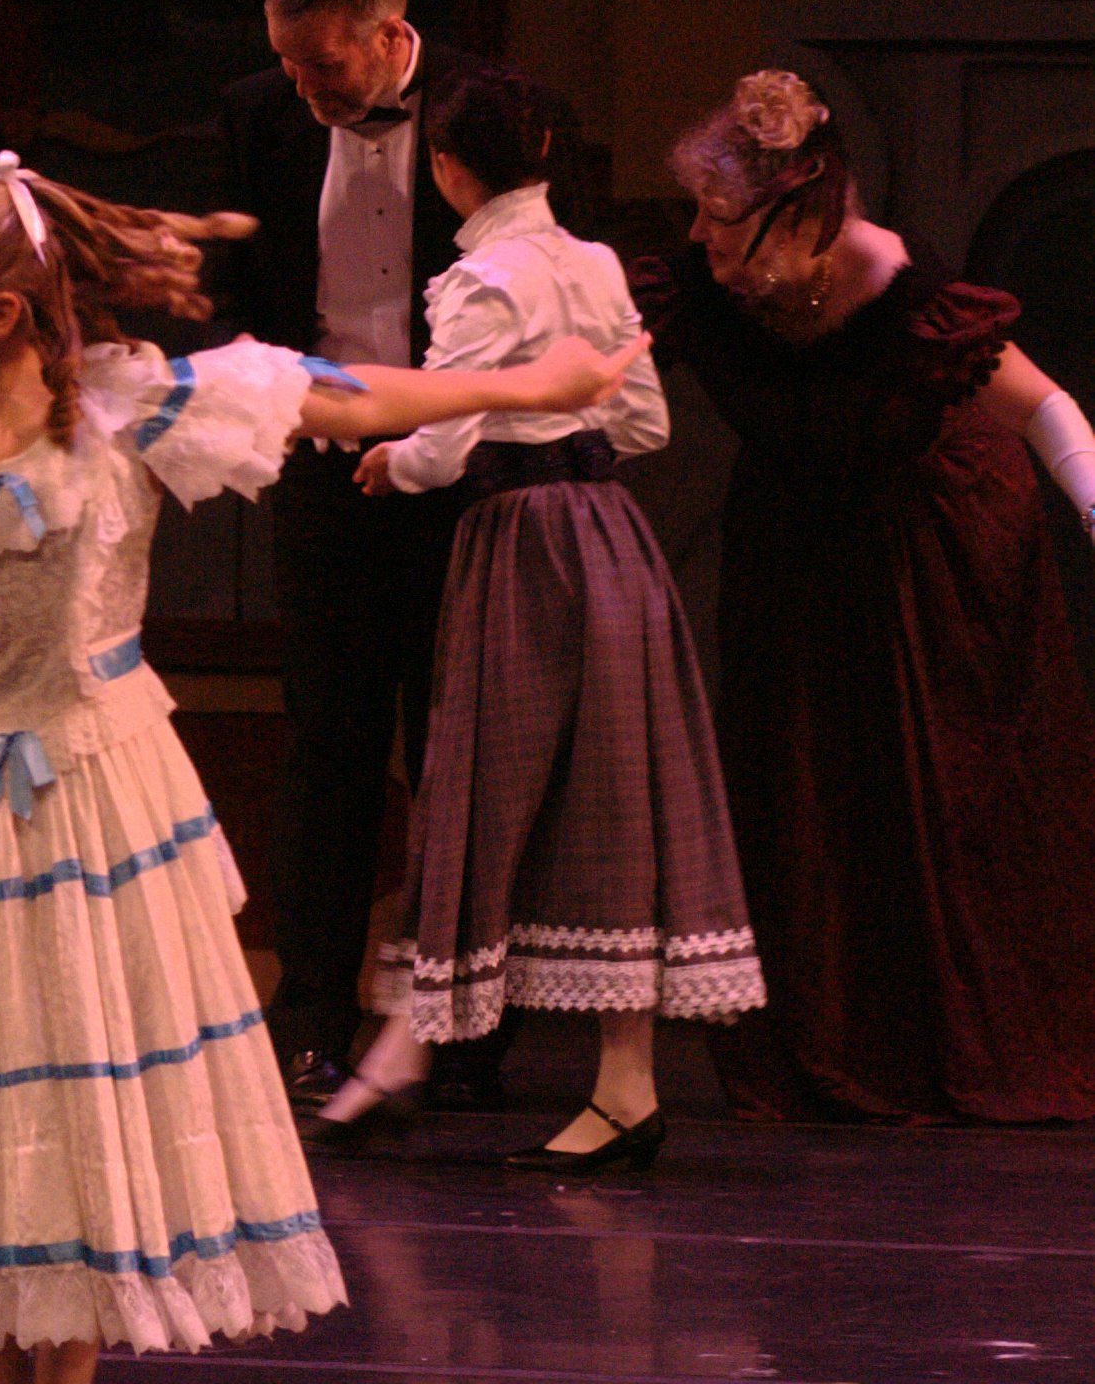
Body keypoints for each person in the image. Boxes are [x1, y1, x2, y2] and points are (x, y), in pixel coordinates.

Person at [0, 151, 647, 1379]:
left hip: (94, 792)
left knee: (80, 1069)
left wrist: (529, 382)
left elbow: (336, 398)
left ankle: (66, 1355)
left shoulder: (127, 408)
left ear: (0, 311)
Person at [307, 64, 765, 1169]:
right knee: (612, 792)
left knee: (484, 787)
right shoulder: (595, 263)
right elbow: (645, 425)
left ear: (446, 169)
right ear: (547, 153)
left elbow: (442, 443)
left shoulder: (481, 282)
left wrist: (388, 462)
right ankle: (581, 1077)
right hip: (609, 537)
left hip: (522, 547)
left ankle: (415, 1062)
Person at [631, 69, 1095, 1123]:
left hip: (932, 539)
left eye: (718, 215)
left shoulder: (903, 290)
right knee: (802, 786)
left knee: (942, 784)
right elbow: (592, 373)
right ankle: (827, 1039)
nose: (697, 236)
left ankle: (963, 1040)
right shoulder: (703, 283)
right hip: (795, 542)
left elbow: (1043, 406)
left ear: (794, 217)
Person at [218, 0, 507, 1107]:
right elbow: (238, 292)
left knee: (457, 752)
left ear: (391, 36)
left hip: (459, 479)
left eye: (325, 66)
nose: (304, 89)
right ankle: (313, 1021)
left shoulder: (487, 107)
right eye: (289, 65)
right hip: (324, 470)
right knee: (326, 748)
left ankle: (460, 1030)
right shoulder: (258, 117)